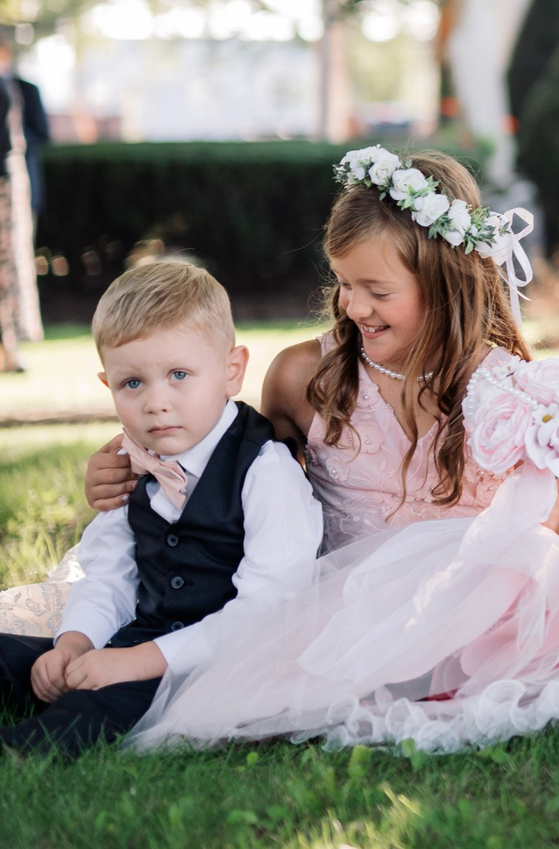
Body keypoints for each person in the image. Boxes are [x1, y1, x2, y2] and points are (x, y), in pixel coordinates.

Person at [89, 150, 559, 751]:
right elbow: (230, 470)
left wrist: (539, 534)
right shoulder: (304, 377)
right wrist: (121, 459)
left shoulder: (506, 389)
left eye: (377, 290)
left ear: (446, 283)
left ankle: (466, 677)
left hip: (469, 622)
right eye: (343, 283)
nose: (353, 305)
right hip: (344, 612)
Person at [0, 260, 323, 755]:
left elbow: (267, 610)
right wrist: (74, 645)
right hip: (135, 639)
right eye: (134, 383)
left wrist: (136, 662)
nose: (156, 402)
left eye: (178, 375)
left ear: (231, 371)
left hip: (219, 660)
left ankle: (23, 751)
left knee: (100, 703)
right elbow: (107, 575)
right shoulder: (130, 463)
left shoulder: (265, 470)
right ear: (108, 384)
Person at [0, 34, 48, 372]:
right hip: (8, 180)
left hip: (6, 183)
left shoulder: (13, 88)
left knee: (7, 271)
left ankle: (9, 349)